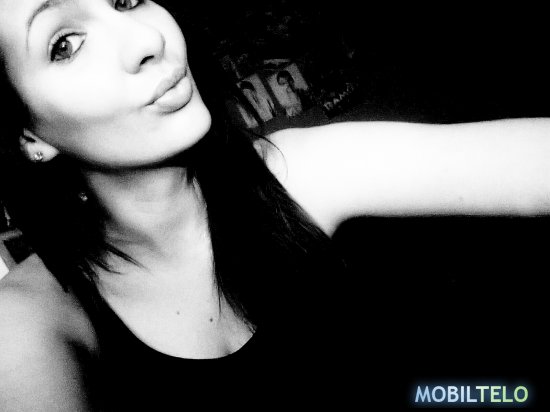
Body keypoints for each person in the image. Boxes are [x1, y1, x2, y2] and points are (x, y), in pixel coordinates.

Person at [0, 0, 548, 410]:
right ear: (29, 137)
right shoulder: (30, 321)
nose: (145, 39)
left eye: (125, 0)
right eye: (64, 44)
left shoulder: (291, 173)